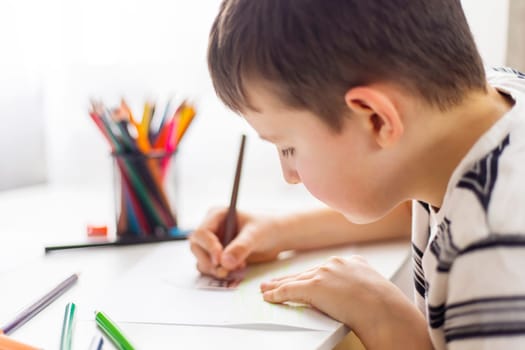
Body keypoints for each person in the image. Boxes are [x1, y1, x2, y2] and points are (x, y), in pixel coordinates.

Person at [189, 0, 525, 349]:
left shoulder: (493, 251)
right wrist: (279, 232)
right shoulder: (493, 100)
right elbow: (418, 205)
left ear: (376, 119)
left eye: (288, 148)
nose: (290, 175)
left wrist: (385, 318)